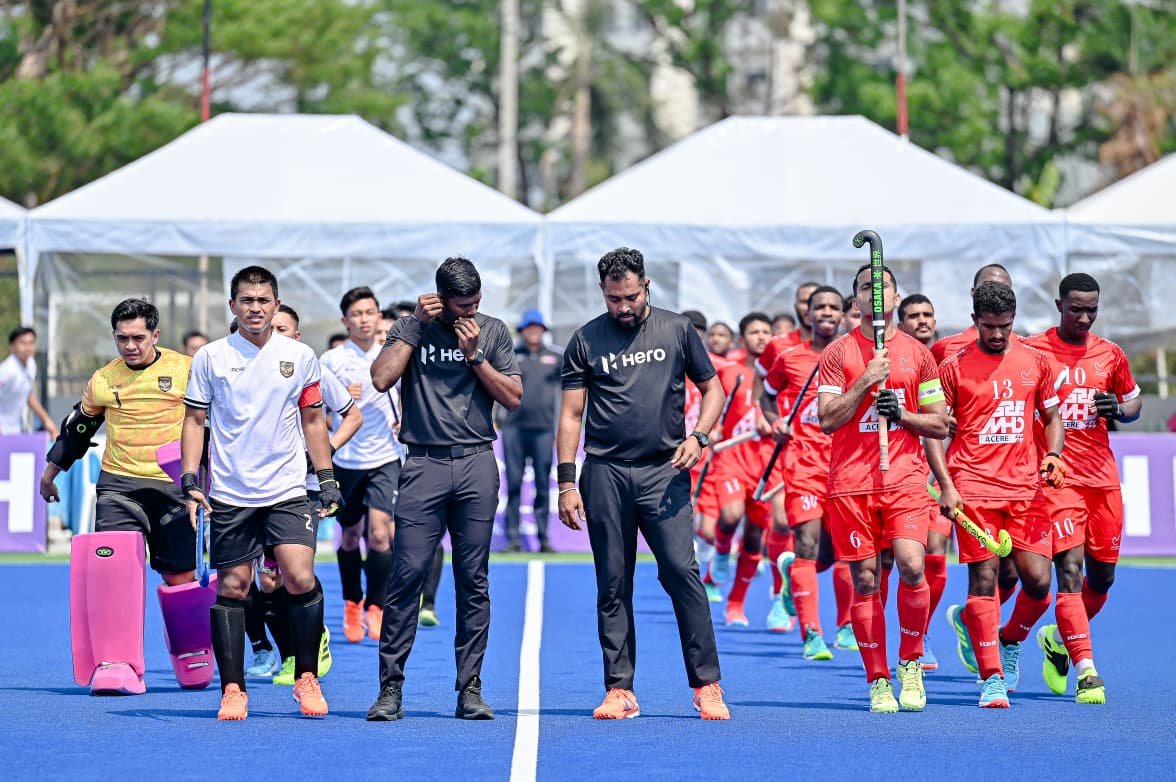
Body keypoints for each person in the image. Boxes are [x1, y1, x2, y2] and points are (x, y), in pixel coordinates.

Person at [557, 247, 730, 720]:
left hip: (665, 471)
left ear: (646, 285)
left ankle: (707, 685)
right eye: (614, 299)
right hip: (605, 473)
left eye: (631, 296)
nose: (624, 307)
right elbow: (572, 414)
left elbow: (713, 389)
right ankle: (620, 689)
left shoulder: (677, 329)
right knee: (612, 582)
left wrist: (700, 436)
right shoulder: (585, 339)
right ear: (603, 293)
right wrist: (567, 483)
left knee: (681, 573)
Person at [181, 265, 342, 721]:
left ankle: (306, 678)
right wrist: (191, 480)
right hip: (231, 493)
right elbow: (194, 421)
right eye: (246, 301)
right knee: (234, 586)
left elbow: (313, 420)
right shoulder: (210, 357)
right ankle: (233, 689)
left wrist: (326, 476)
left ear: (276, 305)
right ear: (232, 306)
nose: (255, 308)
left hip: (288, 488)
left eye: (263, 300)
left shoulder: (301, 356)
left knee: (299, 576)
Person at [367, 257, 522, 722]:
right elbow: (380, 378)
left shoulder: (492, 331)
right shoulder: (411, 327)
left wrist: (475, 356)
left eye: (476, 302)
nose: (470, 313)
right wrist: (414, 325)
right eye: (462, 306)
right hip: (423, 464)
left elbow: (513, 397)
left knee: (473, 580)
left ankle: (470, 688)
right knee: (406, 575)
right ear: (440, 300)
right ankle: (390, 689)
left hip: (476, 461)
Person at [40, 298, 201, 694]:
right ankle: (117, 662)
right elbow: (78, 430)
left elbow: (209, 421)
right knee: (111, 572)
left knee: (180, 578)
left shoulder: (186, 370)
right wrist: (50, 474)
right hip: (120, 486)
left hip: (173, 489)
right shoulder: (103, 380)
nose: (130, 346)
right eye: (122, 338)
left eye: (138, 338)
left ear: (155, 335)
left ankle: (192, 653)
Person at [816, 262, 949, 713]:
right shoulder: (838, 353)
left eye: (883, 287)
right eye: (866, 288)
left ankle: (910, 663)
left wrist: (903, 415)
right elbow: (828, 419)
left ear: (895, 299)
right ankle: (877, 678)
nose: (875, 294)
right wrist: (865, 382)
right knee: (867, 578)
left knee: (913, 566)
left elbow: (940, 423)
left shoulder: (918, 354)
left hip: (906, 480)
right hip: (851, 483)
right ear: (855, 301)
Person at [928, 282, 1065, 708]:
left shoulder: (1037, 362)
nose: (998, 334)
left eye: (1005, 326)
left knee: (1039, 583)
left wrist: (1055, 454)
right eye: (989, 326)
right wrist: (947, 484)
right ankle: (991, 679)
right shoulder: (952, 367)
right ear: (975, 321)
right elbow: (935, 430)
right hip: (973, 488)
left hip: (1027, 489)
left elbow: (1053, 415)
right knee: (984, 580)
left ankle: (1010, 639)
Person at [1024, 273, 1140, 705]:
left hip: (1102, 479)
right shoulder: (1033, 350)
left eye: (1092, 309)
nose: (1085, 316)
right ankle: (1088, 671)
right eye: (1076, 308)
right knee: (1068, 573)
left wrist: (1121, 410)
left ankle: (1058, 636)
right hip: (1056, 479)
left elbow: (1133, 401)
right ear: (1059, 305)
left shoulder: (1111, 354)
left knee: (1102, 579)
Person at [247, 304, 362, 685]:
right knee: (267, 581)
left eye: (283, 329)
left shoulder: (311, 367)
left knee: (295, 571)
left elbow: (353, 416)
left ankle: (310, 648)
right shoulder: (244, 367)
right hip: (258, 487)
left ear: (296, 337)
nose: (273, 333)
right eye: (271, 327)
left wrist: (322, 455)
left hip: (304, 488)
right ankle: (291, 654)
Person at [760, 286, 859, 659]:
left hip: (846, 467)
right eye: (820, 307)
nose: (827, 313)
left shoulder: (856, 357)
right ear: (808, 313)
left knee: (843, 554)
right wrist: (775, 422)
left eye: (835, 307)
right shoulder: (789, 358)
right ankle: (812, 633)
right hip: (803, 465)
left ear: (843, 313)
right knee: (806, 543)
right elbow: (766, 394)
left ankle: (845, 623)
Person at [321, 286, 405, 644]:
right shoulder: (331, 361)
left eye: (370, 312)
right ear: (346, 320)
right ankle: (352, 602)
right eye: (356, 314)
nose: (364, 319)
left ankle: (377, 606)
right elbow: (317, 416)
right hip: (346, 459)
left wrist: (406, 423)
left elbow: (410, 396)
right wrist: (340, 404)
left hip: (385, 456)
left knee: (381, 533)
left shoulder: (397, 355)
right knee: (351, 535)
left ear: (379, 317)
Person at [706, 313, 778, 629]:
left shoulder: (780, 374)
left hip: (768, 462)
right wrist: (713, 429)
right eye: (754, 332)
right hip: (734, 457)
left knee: (754, 537)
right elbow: (714, 408)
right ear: (742, 339)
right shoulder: (731, 373)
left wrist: (775, 423)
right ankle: (721, 550)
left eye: (766, 332)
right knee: (731, 515)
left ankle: (736, 602)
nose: (761, 337)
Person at [680, 310, 734, 603]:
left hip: (709, 456)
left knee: (710, 530)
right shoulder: (670, 363)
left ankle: (712, 569)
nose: (697, 336)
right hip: (677, 456)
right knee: (682, 523)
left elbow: (736, 395)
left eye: (700, 331)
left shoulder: (719, 367)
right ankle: (692, 576)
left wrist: (718, 428)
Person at [502, 308, 562, 553]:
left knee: (541, 483)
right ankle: (513, 538)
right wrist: (496, 417)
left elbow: (570, 392)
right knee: (514, 484)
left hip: (544, 430)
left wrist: (564, 425)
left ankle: (543, 537)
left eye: (537, 327)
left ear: (543, 330)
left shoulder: (556, 357)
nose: (534, 332)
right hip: (514, 428)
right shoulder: (512, 355)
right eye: (529, 328)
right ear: (523, 331)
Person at [931, 264, 1013, 363]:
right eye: (987, 286)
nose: (994, 293)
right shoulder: (945, 348)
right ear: (973, 292)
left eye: (1003, 288)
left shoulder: (1029, 348)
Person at [0, 326, 56, 437]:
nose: (27, 347)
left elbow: (28, 395)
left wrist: (47, 421)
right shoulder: (7, 370)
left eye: (31, 343)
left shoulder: (31, 365)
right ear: (12, 346)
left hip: (15, 430)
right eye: (22, 343)